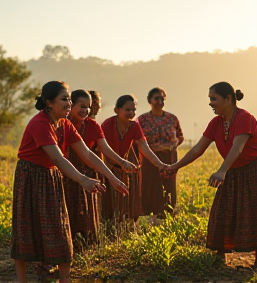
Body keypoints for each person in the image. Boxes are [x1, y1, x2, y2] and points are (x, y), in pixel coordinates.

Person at [11, 81, 128, 283]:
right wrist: (83, 180)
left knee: (60, 229)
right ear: (49, 103)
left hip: (51, 177)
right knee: (26, 231)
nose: (69, 103)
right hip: (30, 177)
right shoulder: (40, 123)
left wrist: (112, 178)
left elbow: (87, 154)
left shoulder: (65, 124)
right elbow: (58, 158)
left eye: (69, 99)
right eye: (64, 99)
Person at [165, 81, 257, 269]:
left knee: (256, 211)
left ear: (228, 99)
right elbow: (198, 149)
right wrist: (176, 166)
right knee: (222, 210)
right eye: (209, 99)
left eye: (214, 99)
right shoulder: (216, 123)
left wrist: (221, 171)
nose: (210, 103)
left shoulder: (245, 118)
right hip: (231, 169)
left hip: (254, 168)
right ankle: (220, 254)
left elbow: (237, 147)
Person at [64, 89, 138, 243]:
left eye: (88, 107)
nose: (85, 111)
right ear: (71, 105)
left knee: (87, 209)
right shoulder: (63, 124)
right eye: (81, 106)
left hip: (88, 170)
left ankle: (86, 243)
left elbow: (104, 148)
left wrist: (122, 162)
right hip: (65, 170)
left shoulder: (92, 125)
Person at [101, 95, 168, 222]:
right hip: (108, 165)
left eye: (134, 110)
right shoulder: (107, 125)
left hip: (124, 166)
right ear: (117, 110)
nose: (131, 113)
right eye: (128, 110)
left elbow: (145, 148)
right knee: (109, 202)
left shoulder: (134, 126)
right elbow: (103, 149)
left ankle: (126, 226)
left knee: (128, 200)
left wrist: (160, 164)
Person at [137, 87, 184, 217]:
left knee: (168, 185)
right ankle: (149, 215)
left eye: (162, 98)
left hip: (168, 157)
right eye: (156, 98)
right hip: (149, 157)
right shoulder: (142, 120)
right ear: (149, 100)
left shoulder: (172, 118)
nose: (159, 101)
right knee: (149, 185)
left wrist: (170, 148)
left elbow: (180, 137)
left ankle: (167, 214)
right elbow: (137, 139)